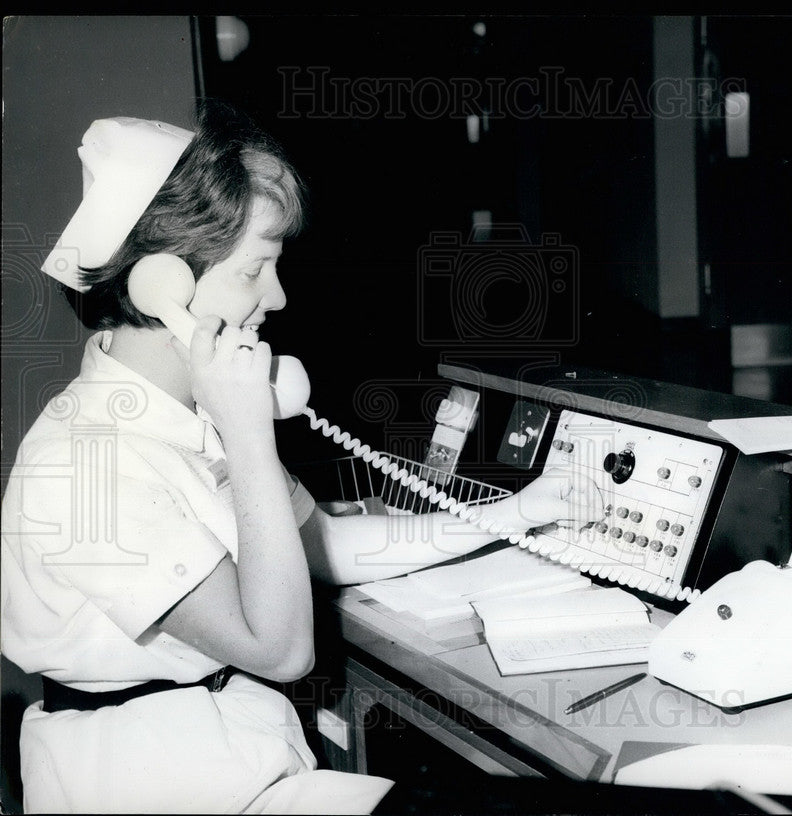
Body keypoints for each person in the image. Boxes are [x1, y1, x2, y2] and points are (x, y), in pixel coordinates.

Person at [0, 103, 604, 814]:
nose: (278, 297)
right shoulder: (86, 463)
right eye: (256, 269)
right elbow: (280, 650)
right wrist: (251, 436)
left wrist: (512, 514)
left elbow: (327, 546)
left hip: (239, 766)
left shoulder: (189, 415)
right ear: (163, 286)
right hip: (155, 786)